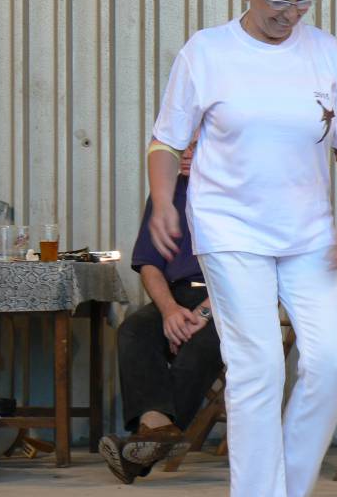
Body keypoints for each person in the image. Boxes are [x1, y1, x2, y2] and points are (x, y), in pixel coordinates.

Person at [147, 0, 337, 497]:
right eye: (277, 0)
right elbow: (166, 141)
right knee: (258, 368)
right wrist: (162, 203)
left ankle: (286, 490)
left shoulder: (327, 54)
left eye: (302, 1)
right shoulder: (207, 53)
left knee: (332, 362)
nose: (289, 14)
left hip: (310, 235)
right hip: (230, 231)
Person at [99, 141, 223, 484]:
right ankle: (157, 431)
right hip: (177, 294)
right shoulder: (166, 193)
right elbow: (150, 264)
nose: (186, 153)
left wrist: (203, 314)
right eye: (182, 146)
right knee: (134, 330)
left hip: (231, 297)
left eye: (198, 144)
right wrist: (169, 311)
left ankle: (140, 447)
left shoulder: (243, 191)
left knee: (198, 348)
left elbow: (260, 269)